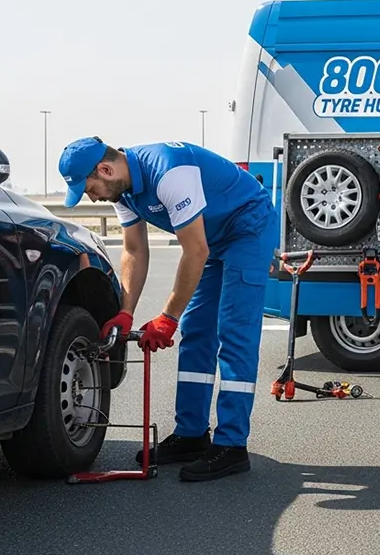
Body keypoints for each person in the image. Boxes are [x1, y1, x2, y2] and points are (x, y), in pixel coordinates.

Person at [58, 136, 279, 481]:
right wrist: (125, 311)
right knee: (197, 332)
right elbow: (134, 250)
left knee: (234, 333)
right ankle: (191, 434)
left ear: (105, 169)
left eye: (89, 188)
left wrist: (167, 317)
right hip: (213, 237)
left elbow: (195, 252)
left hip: (248, 226)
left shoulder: (168, 173)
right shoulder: (124, 190)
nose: (93, 197)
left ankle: (232, 446)